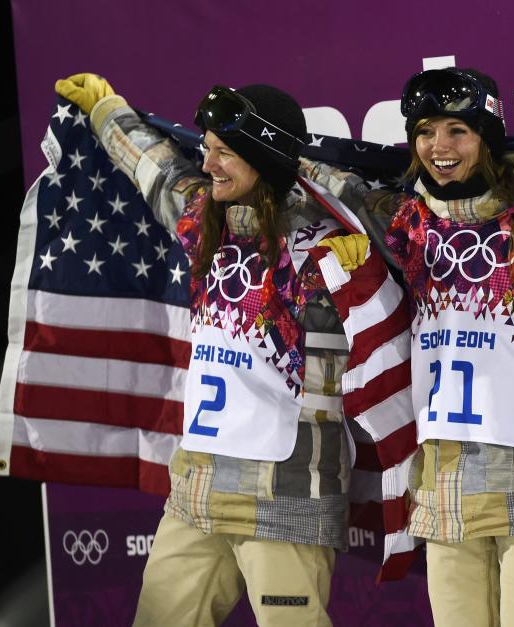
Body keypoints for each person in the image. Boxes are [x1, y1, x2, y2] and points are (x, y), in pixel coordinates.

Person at [54, 73, 405, 627]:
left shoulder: (334, 236)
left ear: (264, 157)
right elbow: (152, 165)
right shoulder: (204, 222)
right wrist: (105, 108)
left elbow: (427, 223)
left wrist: (307, 170)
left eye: (224, 153)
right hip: (197, 490)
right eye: (209, 149)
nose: (208, 164)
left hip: (289, 495)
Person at [306, 67, 514, 626]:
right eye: (426, 132)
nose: (439, 147)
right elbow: (309, 172)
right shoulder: (406, 221)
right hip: (445, 492)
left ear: (488, 135)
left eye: (458, 130)